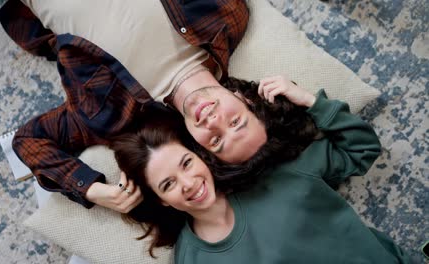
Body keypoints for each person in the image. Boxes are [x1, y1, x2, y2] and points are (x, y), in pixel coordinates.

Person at [0, 0, 269, 212]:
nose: (214, 121)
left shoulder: (110, 115)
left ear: (199, 149)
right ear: (245, 99)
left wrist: (91, 189)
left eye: (216, 141)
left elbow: (28, 140)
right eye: (235, 122)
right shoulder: (228, 15)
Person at [111, 81, 413, 263]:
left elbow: (362, 148)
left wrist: (310, 101)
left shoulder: (278, 173)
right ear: (161, 199)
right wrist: (88, 188)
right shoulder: (192, 258)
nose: (189, 183)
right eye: (168, 184)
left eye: (187, 163)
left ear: (201, 156)